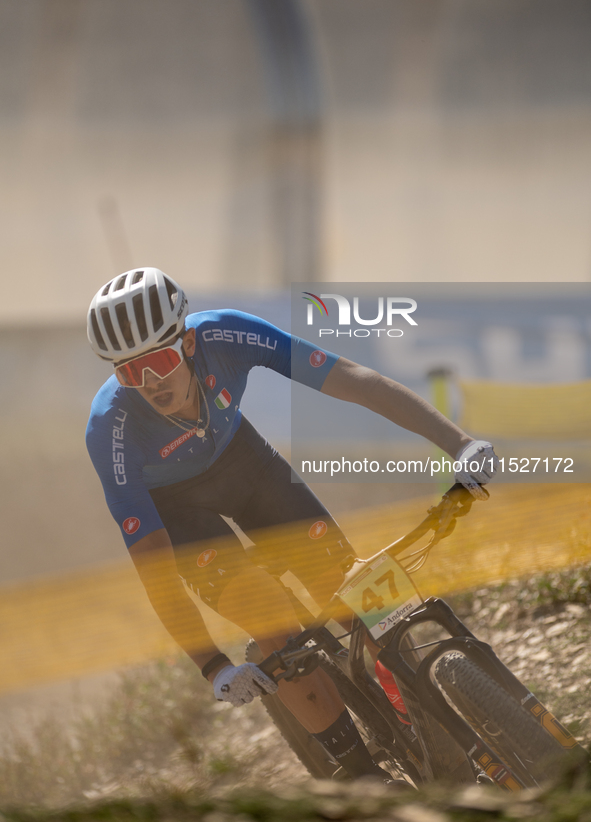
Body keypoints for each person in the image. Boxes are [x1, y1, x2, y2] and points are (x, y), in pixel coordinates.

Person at [86, 267, 498, 781]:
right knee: (270, 620)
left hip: (245, 465)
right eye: (130, 373)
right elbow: (153, 565)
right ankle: (361, 777)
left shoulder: (228, 334)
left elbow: (356, 382)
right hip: (176, 508)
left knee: (354, 592)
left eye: (161, 361)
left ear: (188, 342)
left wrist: (459, 444)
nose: (150, 383)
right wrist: (212, 665)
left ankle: (421, 704)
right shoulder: (111, 431)